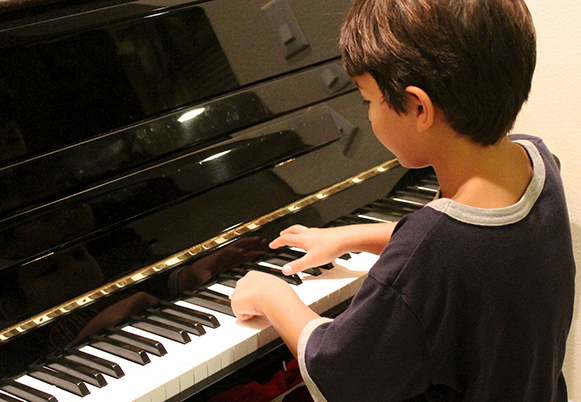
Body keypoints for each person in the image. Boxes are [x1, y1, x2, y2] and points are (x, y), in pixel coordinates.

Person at [229, 0, 575, 400]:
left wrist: (273, 296)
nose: (369, 116)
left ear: (419, 107)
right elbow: (470, 252)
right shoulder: (536, 160)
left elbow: (342, 373)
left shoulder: (433, 247)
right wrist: (349, 236)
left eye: (367, 101)